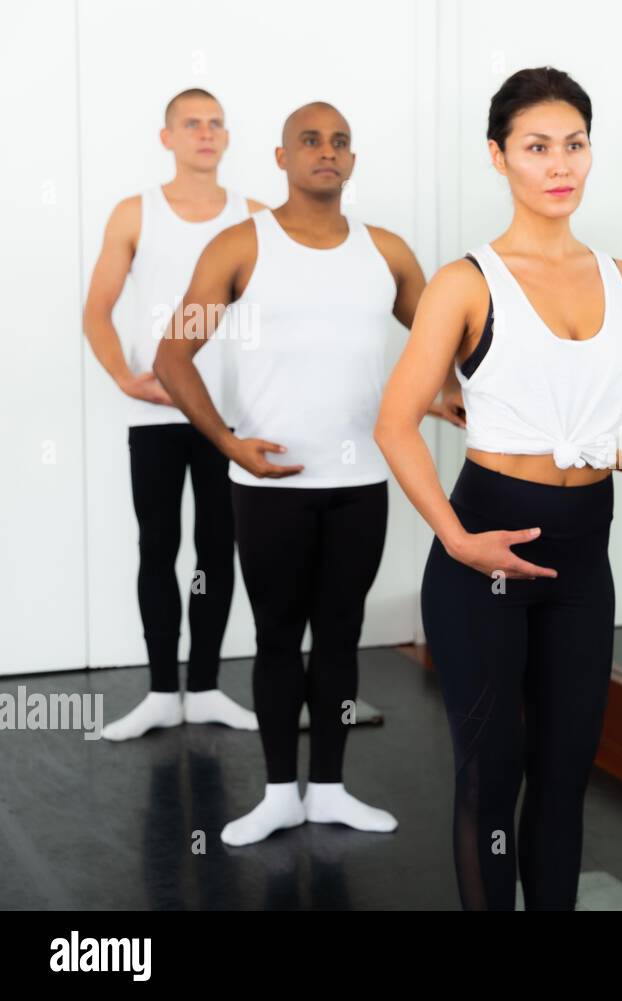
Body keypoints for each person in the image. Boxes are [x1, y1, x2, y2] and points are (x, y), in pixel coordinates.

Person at [375, 66, 622, 910]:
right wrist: (454, 536)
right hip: (484, 549)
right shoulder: (465, 281)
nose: (560, 164)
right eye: (537, 146)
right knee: (490, 772)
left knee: (563, 773)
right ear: (498, 155)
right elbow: (395, 422)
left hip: (585, 553)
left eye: (575, 144)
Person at [154, 102, 426, 847]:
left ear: (353, 157)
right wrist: (227, 442)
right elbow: (171, 358)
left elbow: (446, 344)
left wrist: (454, 393)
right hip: (269, 484)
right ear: (280, 157)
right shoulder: (239, 245)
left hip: (362, 481)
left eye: (341, 140)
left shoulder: (389, 253)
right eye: (311, 140)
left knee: (340, 638)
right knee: (277, 637)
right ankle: (279, 792)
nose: (327, 151)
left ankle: (331, 787)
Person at [83, 88, 265, 741]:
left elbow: (283, 311)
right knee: (157, 546)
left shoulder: (255, 218)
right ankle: (164, 690)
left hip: (228, 415)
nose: (206, 133)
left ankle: (208, 687)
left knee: (218, 546)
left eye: (217, 122)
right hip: (159, 411)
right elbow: (96, 310)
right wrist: (125, 378)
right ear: (168, 137)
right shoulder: (136, 213)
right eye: (192, 123)